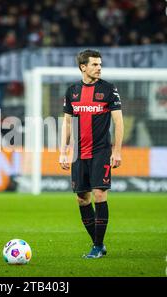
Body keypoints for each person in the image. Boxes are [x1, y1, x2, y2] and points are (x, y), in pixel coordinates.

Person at [59, 49, 124, 259]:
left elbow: (118, 121)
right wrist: (63, 151)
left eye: (100, 64)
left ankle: (97, 247)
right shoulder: (72, 91)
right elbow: (67, 123)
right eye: (94, 64)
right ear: (83, 67)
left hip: (101, 151)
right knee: (82, 199)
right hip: (78, 153)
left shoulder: (108, 90)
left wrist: (117, 151)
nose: (99, 68)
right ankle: (99, 243)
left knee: (99, 194)